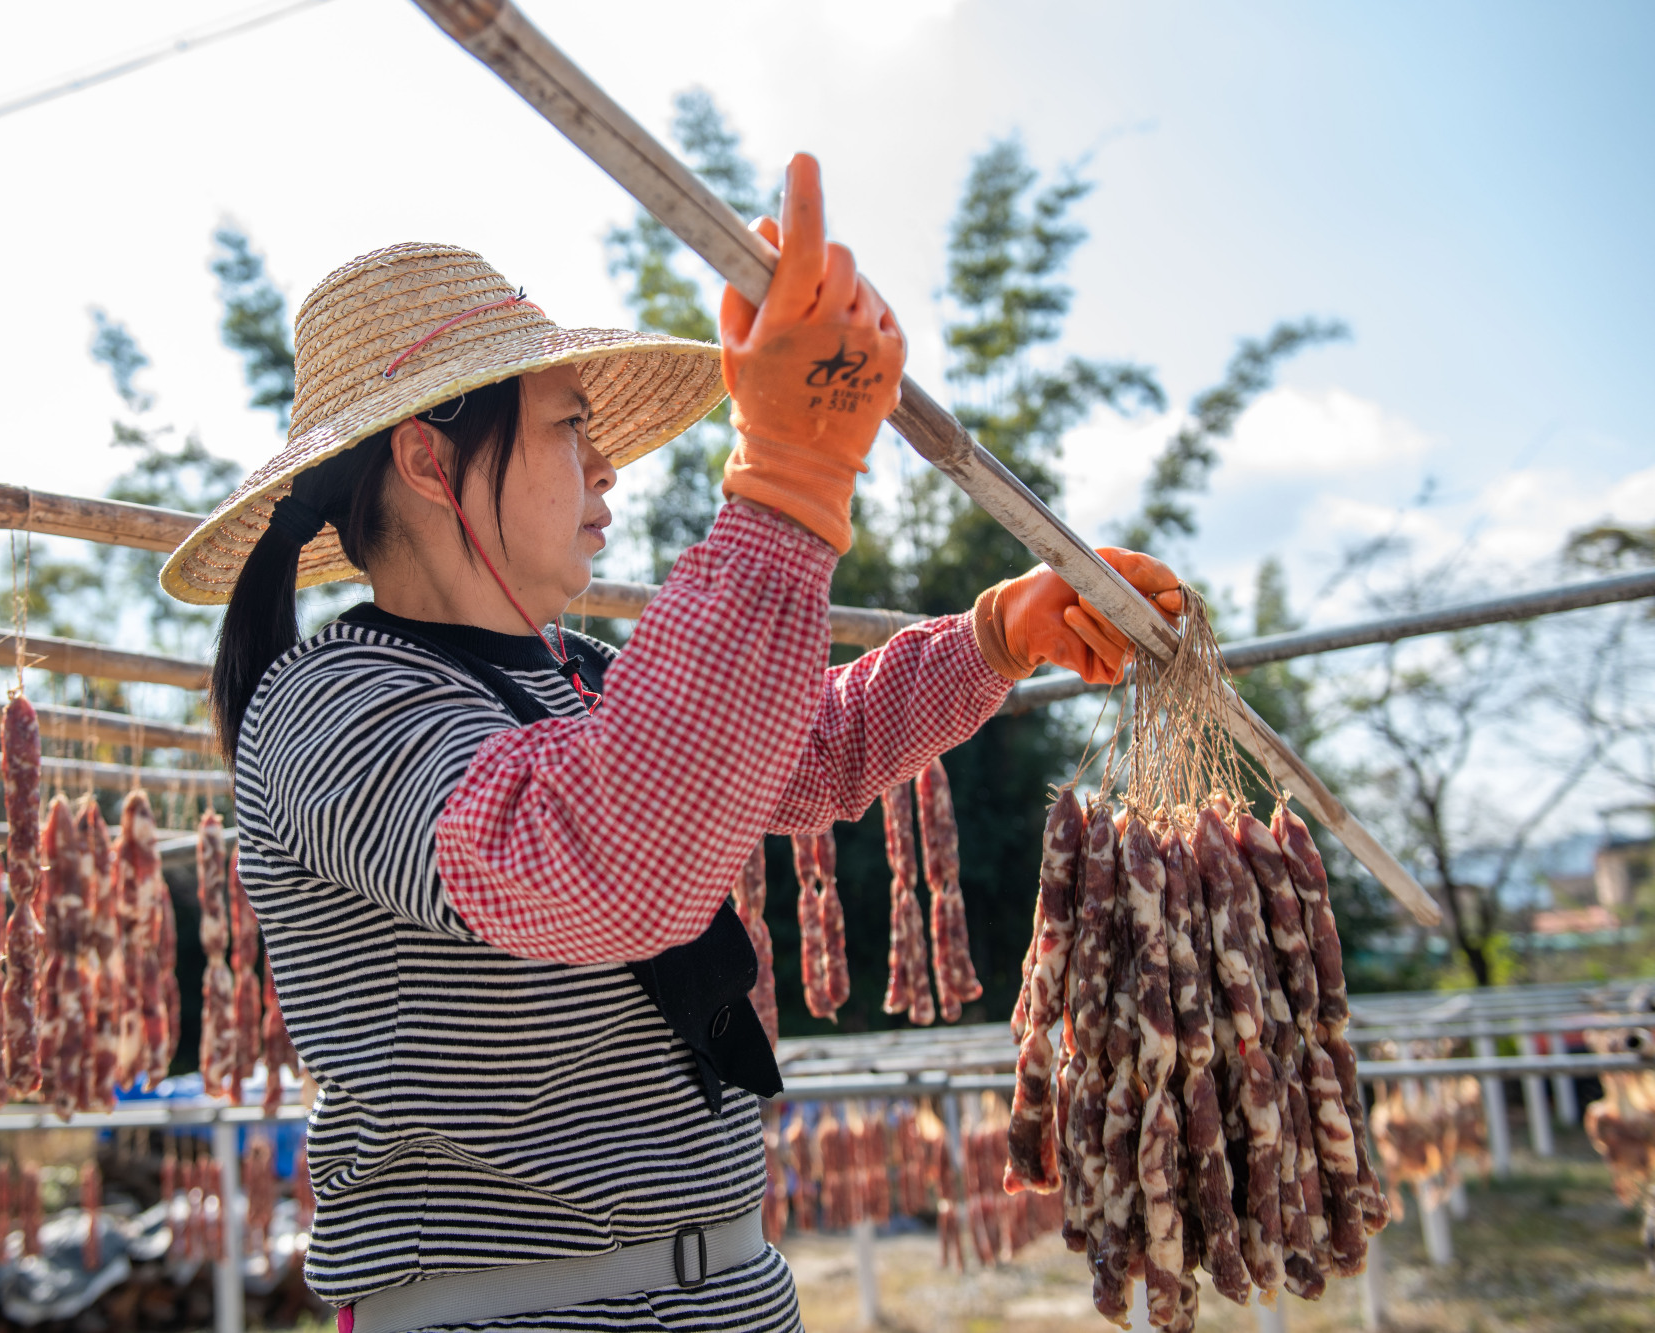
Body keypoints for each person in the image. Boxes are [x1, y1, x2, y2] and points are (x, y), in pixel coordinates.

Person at [161, 155, 1182, 1333]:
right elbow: (591, 865)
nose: (607, 471)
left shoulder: (578, 676)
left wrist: (992, 637)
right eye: (567, 431)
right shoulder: (334, 702)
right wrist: (787, 484)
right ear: (431, 461)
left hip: (718, 1287)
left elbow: (815, 747)